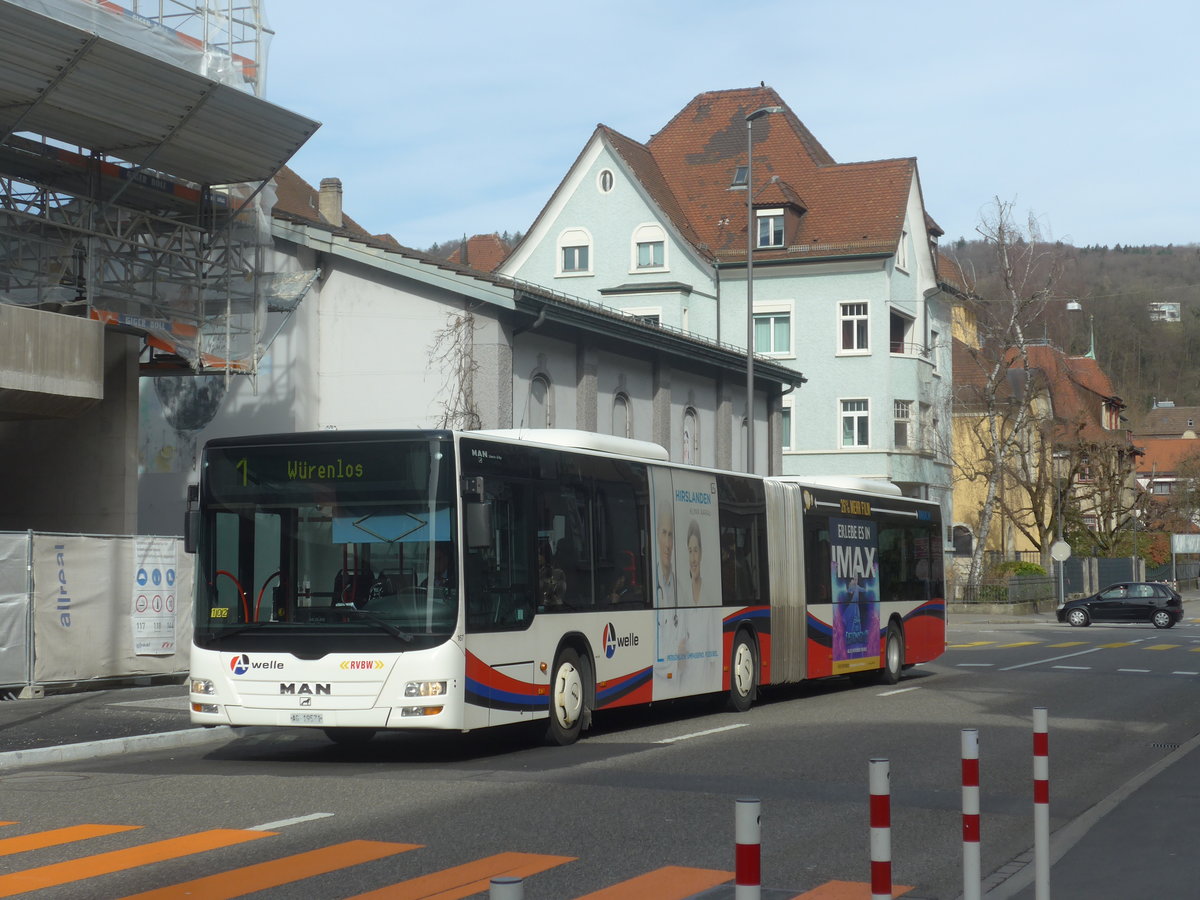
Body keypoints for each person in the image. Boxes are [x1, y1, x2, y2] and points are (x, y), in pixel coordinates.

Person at [655, 503, 676, 606]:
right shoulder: (652, 583)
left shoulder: (682, 590)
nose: (667, 544)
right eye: (664, 533)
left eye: (670, 535)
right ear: (657, 534)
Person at [686, 519, 703, 605]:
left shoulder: (710, 592)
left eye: (696, 550)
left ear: (701, 553)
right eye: (690, 551)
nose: (693, 559)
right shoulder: (684, 594)